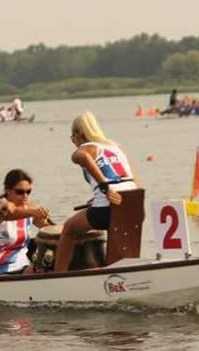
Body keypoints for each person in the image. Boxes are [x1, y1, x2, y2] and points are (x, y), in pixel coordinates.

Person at [55, 111, 140, 273]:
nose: (73, 142)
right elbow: (132, 179)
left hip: (108, 206)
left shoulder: (84, 149)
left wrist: (105, 188)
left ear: (79, 134)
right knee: (114, 235)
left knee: (68, 229)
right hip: (133, 203)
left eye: (72, 138)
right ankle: (114, 275)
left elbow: (83, 157)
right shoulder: (117, 147)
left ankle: (58, 277)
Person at [0, 169, 51, 275]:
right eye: (20, 192)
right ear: (8, 190)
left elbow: (49, 230)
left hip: (23, 267)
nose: (25, 196)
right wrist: (33, 212)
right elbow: (10, 215)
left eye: (28, 191)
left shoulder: (29, 208)